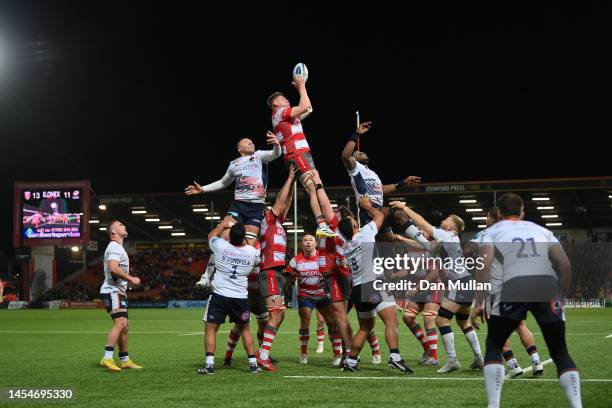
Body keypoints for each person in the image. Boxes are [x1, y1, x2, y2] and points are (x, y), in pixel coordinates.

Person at [472, 193, 581, 407]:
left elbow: (483, 266)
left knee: (494, 344)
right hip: (547, 287)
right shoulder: (542, 230)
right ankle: (577, 404)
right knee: (560, 351)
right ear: (522, 213)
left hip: (514, 286)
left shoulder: (491, 232)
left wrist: (478, 301)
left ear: (499, 214)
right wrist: (562, 295)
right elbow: (565, 266)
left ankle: (493, 405)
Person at [390, 201, 483, 373]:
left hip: (460, 283)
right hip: (467, 282)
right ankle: (479, 359)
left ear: (454, 226)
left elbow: (422, 223)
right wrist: (402, 238)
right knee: (463, 322)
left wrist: (405, 208)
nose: (444, 220)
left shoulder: (446, 235)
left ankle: (453, 360)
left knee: (441, 320)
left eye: (447, 219)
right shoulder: (447, 239)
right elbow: (425, 245)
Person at [338, 197, 414, 373]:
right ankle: (395, 357)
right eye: (355, 222)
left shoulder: (346, 246)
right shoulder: (365, 234)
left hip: (358, 289)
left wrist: (349, 217)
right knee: (391, 319)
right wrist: (367, 207)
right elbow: (379, 216)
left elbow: (350, 227)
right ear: (356, 227)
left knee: (365, 327)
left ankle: (351, 361)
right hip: (374, 285)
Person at [466, 207, 544, 378]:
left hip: (496, 288)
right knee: (520, 325)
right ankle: (536, 362)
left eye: (486, 216)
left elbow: (470, 253)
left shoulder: (486, 235)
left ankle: (513, 365)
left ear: (492, 219)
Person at [267, 74, 336, 239]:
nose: (287, 100)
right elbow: (304, 105)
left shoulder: (289, 117)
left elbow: (309, 107)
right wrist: (302, 85)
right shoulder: (280, 112)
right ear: (276, 103)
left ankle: (322, 225)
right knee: (313, 187)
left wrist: (301, 89)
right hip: (296, 153)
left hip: (300, 154)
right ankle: (321, 225)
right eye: (284, 98)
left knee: (313, 187)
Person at [184, 133, 281, 244]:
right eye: (247, 142)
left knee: (249, 243)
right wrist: (203, 189)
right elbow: (223, 182)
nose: (251, 143)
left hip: (256, 208)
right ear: (239, 148)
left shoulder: (259, 156)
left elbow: (275, 154)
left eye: (252, 142)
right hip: (238, 206)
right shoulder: (234, 164)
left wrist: (277, 145)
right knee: (225, 236)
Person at [199, 217, 261, 375]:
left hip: (220, 295)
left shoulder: (220, 246)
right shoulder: (251, 252)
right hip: (240, 297)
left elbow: (211, 237)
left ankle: (209, 364)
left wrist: (222, 225)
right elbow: (256, 262)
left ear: (230, 237)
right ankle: (253, 364)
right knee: (245, 330)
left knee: (211, 329)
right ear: (243, 238)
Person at [341, 121, 421, 241]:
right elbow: (345, 155)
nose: (363, 153)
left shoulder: (373, 174)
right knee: (399, 214)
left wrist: (403, 182)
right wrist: (357, 133)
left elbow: (382, 189)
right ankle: (427, 244)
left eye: (364, 153)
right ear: (354, 159)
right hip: (368, 210)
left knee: (388, 249)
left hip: (378, 208)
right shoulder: (355, 168)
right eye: (359, 153)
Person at [255, 166, 297, 371]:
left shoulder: (278, 223)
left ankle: (263, 351)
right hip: (269, 270)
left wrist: (295, 180)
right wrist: (289, 177)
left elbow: (286, 202)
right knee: (277, 314)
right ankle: (262, 354)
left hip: (277, 272)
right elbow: (281, 201)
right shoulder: (267, 221)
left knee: (281, 315)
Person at [284, 234, 337, 365]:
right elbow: (286, 272)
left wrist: (325, 276)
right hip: (305, 294)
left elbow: (332, 270)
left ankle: (337, 353)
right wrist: (291, 274)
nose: (308, 242)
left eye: (311, 240)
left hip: (321, 294)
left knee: (332, 323)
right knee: (305, 322)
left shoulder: (321, 257)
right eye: (305, 240)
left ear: (315, 243)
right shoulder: (296, 259)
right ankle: (303, 354)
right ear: (302, 244)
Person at [99, 221, 142, 372]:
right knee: (121, 324)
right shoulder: (114, 247)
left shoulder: (117, 247)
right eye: (120, 225)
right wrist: (131, 279)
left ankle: (124, 359)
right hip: (112, 290)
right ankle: (107, 357)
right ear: (113, 232)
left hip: (117, 291)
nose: (124, 225)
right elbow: (113, 268)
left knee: (125, 326)